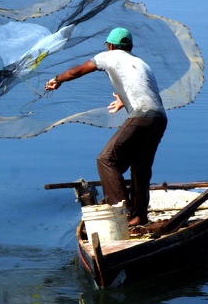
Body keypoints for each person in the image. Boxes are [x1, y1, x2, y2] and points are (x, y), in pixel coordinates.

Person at [45, 27, 167, 226]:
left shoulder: (109, 57)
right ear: (130, 46)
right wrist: (123, 100)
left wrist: (57, 80)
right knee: (140, 168)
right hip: (159, 118)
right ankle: (139, 217)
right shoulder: (140, 63)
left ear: (110, 46)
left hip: (142, 116)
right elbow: (142, 88)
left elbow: (77, 71)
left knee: (106, 160)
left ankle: (122, 213)